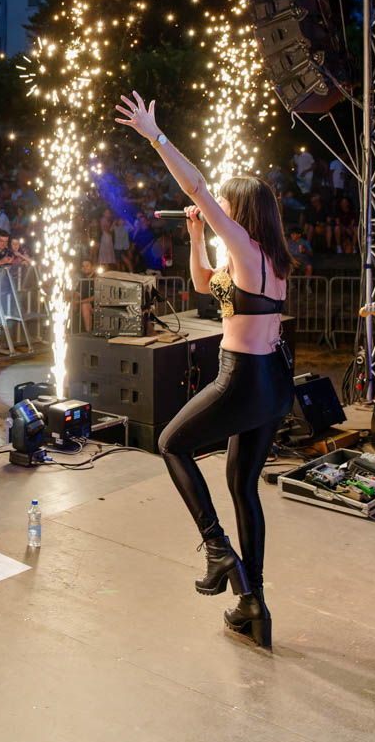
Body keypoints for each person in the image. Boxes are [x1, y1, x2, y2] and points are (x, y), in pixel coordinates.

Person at [117, 89, 293, 650]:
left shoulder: (245, 246)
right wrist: (195, 236)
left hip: (242, 377)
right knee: (243, 487)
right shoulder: (264, 259)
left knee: (171, 443)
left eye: (224, 207)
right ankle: (253, 604)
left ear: (240, 213)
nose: (218, 211)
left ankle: (218, 550)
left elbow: (195, 186)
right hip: (273, 382)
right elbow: (202, 284)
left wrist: (156, 137)